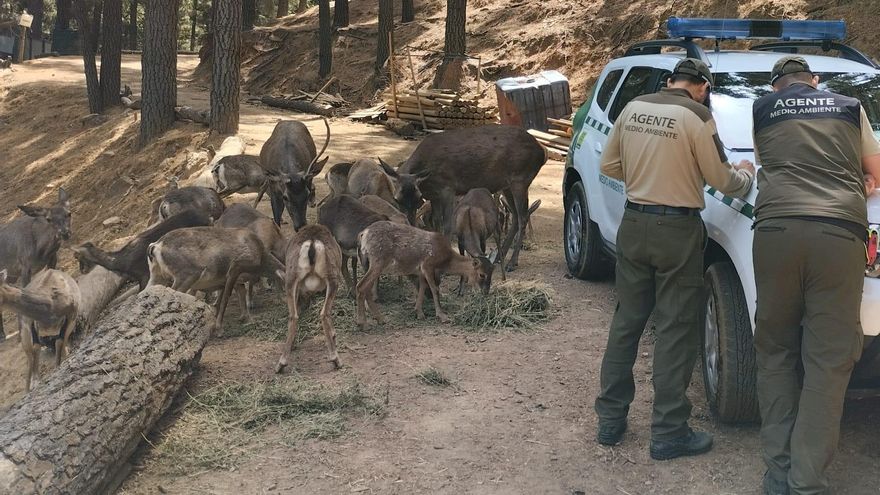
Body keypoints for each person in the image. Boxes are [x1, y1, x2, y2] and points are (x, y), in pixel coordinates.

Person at [594, 58, 755, 460]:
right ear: (701, 87)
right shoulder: (697, 117)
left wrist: (647, 172)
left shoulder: (633, 108)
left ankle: (610, 421)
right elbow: (723, 181)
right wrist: (747, 174)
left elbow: (609, 165)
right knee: (676, 329)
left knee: (627, 322)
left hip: (634, 223)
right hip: (677, 231)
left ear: (670, 82)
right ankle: (668, 432)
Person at [751, 56, 880, 495]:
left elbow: (770, 162)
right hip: (838, 234)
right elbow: (876, 174)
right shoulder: (849, 106)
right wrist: (860, 183)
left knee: (775, 352)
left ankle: (777, 473)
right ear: (816, 82)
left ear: (775, 88)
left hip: (774, 232)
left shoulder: (762, 110)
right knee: (828, 360)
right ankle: (807, 482)